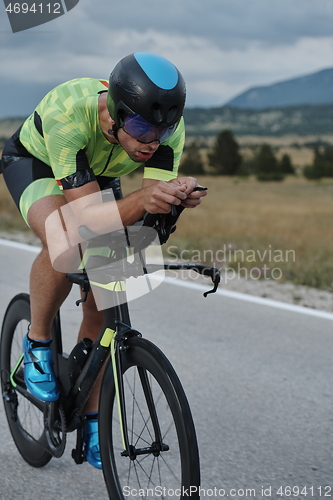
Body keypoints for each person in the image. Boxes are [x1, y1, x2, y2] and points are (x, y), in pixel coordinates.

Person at [1, 52, 206, 468]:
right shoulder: (69, 112)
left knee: (109, 284)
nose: (151, 141)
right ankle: (37, 341)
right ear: (114, 114)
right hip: (36, 161)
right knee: (69, 240)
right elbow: (88, 219)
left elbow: (148, 219)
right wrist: (143, 199)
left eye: (162, 129)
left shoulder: (165, 132)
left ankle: (92, 413)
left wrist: (172, 201)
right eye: (141, 127)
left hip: (96, 169)